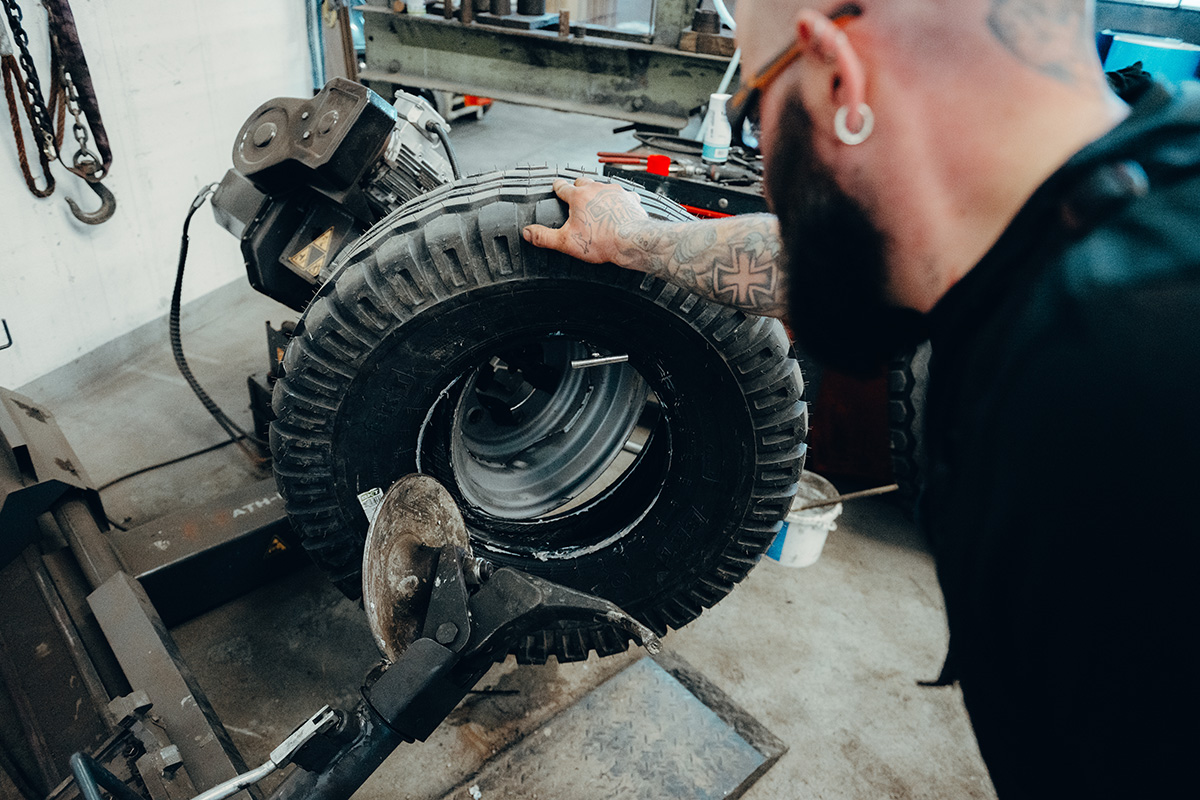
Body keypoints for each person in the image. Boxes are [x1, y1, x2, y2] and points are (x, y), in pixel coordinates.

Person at [523, 1, 1200, 797]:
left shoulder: (1111, 397)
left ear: (841, 81)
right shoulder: (1123, 185)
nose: (762, 157)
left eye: (754, 111)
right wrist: (635, 240)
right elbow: (857, 251)